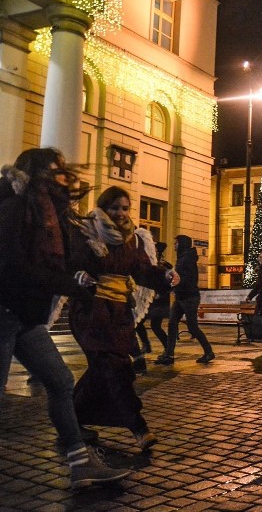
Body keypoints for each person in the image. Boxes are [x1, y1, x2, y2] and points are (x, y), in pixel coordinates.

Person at [0, 148, 131, 489]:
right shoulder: (16, 209)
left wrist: (77, 278)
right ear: (37, 174)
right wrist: (67, 284)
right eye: (56, 170)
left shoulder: (49, 212)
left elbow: (56, 264)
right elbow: (13, 266)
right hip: (3, 312)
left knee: (60, 381)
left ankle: (81, 462)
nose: (64, 176)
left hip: (25, 318)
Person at [68, 186, 177, 452]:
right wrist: (79, 277)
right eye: (115, 207)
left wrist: (164, 276)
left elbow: (142, 272)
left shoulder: (133, 239)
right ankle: (139, 428)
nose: (120, 213)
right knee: (113, 368)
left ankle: (71, 418)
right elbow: (68, 264)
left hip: (119, 314)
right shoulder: (86, 232)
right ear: (104, 207)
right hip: (90, 311)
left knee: (105, 369)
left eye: (125, 208)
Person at [156, 235, 214, 365]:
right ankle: (169, 354)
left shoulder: (186, 259)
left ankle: (209, 352)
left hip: (189, 297)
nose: (174, 246)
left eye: (176, 243)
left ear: (182, 244)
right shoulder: (183, 258)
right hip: (181, 296)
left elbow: (186, 279)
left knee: (192, 327)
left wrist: (173, 283)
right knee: (172, 324)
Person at [130, 241, 173, 375]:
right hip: (150, 300)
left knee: (149, 325)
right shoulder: (149, 264)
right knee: (143, 324)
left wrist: (161, 293)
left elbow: (168, 284)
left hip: (158, 302)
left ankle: (166, 350)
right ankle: (162, 349)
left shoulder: (164, 266)